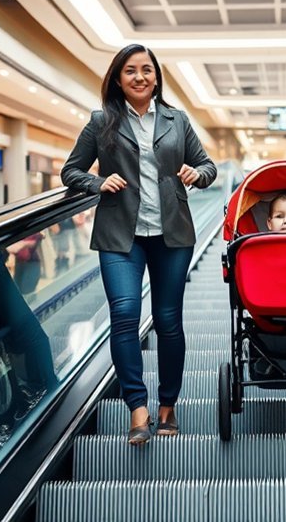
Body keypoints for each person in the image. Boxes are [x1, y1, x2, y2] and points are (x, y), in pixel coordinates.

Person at [61, 43, 217, 445]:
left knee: (168, 321)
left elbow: (208, 167)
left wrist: (195, 174)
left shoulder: (176, 120)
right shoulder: (101, 122)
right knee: (125, 315)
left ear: (156, 76)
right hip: (119, 235)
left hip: (172, 234)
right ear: (118, 77)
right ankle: (138, 408)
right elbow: (70, 171)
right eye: (131, 70)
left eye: (147, 70)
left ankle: (168, 406)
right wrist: (97, 182)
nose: (140, 77)